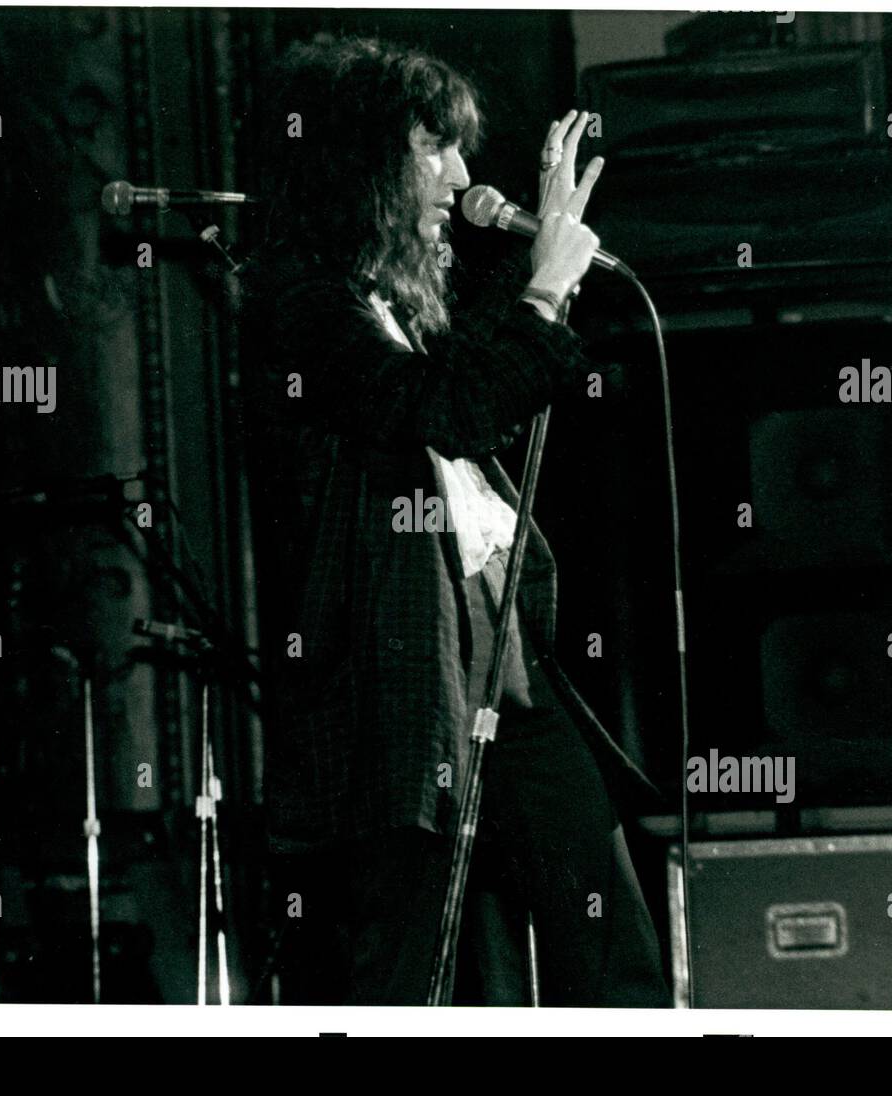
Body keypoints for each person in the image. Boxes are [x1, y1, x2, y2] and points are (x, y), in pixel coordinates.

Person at [242, 36, 668, 1006]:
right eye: (433, 147)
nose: (461, 176)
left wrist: (549, 236)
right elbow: (439, 406)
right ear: (361, 159)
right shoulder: (303, 310)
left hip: (502, 658)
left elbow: (481, 371)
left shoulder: (407, 301)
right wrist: (545, 283)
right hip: (405, 683)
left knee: (604, 929)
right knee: (410, 972)